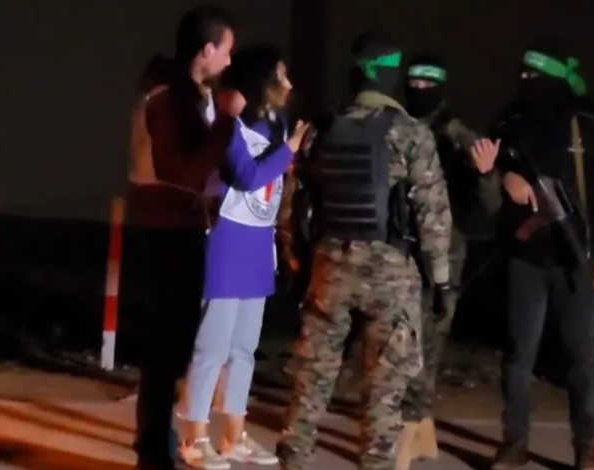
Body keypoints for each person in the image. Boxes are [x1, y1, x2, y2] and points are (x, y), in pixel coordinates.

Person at [275, 34, 453, 470]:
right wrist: (441, 280)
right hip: (390, 275)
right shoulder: (409, 132)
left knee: (312, 377)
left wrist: (298, 261)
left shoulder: (322, 128)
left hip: (330, 268)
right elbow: (432, 215)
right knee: (384, 388)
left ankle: (294, 457)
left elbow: (291, 204)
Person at [490, 42, 594, 470]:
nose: (526, 83)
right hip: (526, 256)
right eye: (523, 75)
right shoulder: (511, 121)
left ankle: (586, 443)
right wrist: (505, 176)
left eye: (535, 77)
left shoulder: (586, 125)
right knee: (519, 354)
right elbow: (489, 163)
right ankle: (515, 442)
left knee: (581, 356)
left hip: (577, 257)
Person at [179, 44, 309, 470]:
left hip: (258, 244)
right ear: (261, 82)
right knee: (212, 347)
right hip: (228, 241)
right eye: (280, 76)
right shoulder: (230, 126)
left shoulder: (278, 125)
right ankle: (194, 439)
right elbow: (249, 176)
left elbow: (277, 186)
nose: (288, 85)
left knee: (244, 349)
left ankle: (233, 437)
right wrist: (290, 149)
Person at [128, 6, 237, 470]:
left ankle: (159, 445)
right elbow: (181, 173)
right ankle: (153, 452)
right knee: (164, 348)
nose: (229, 61)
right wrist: (227, 122)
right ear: (207, 50)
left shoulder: (186, 95)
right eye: (226, 50)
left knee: (172, 347)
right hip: (166, 232)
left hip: (180, 227)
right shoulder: (167, 99)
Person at [395, 54, 502, 467]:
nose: (419, 90)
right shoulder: (397, 123)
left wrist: (485, 174)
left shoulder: (457, 135)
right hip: (400, 246)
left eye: (428, 84)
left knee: (427, 341)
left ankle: (410, 430)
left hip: (443, 253)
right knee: (404, 339)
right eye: (414, 84)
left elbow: (489, 205)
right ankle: (420, 429)